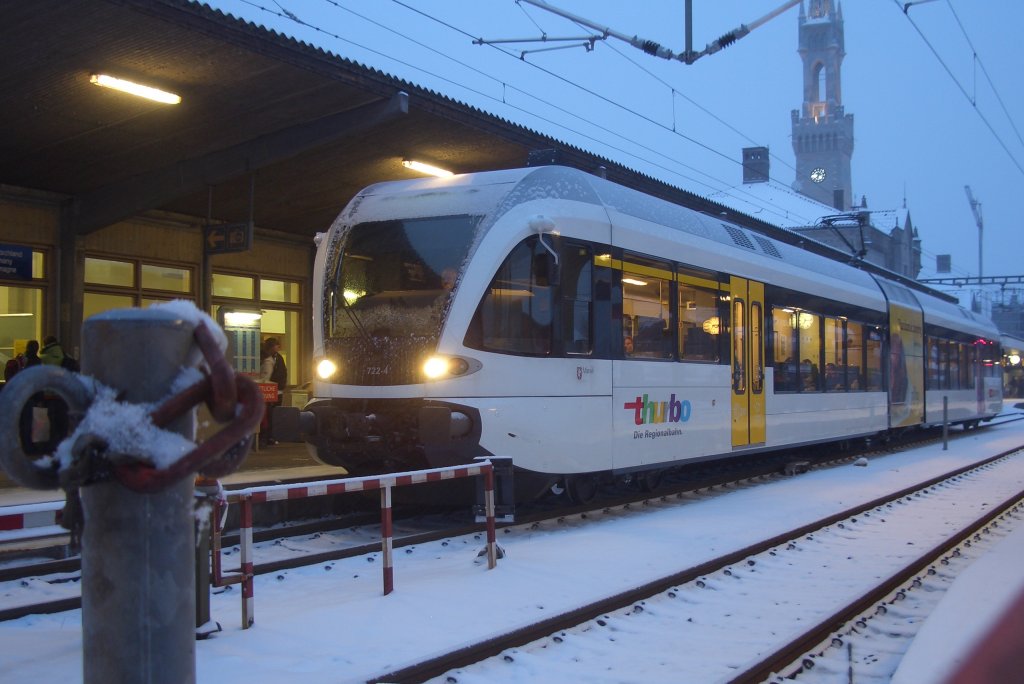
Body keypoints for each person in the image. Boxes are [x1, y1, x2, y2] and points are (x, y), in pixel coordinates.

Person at [260, 337, 288, 446]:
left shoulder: (278, 358)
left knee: (272, 415)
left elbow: (282, 372)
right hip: (268, 390)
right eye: (276, 345)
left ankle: (269, 436)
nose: (278, 348)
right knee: (268, 415)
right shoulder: (268, 359)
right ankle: (266, 437)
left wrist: (281, 386)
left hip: (275, 390)